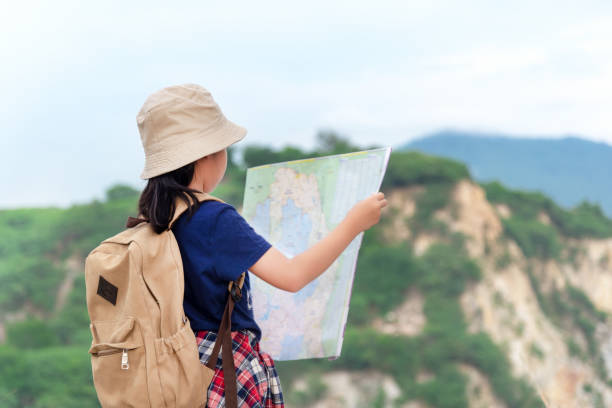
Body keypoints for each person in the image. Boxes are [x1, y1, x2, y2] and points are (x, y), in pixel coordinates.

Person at [135, 83, 387, 407]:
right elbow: (292, 276)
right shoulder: (214, 218)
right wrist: (354, 223)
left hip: (179, 378)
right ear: (207, 153)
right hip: (223, 378)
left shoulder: (154, 219)